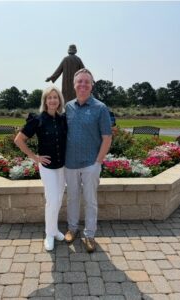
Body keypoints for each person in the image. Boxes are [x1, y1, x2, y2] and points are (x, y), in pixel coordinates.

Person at [64, 68, 112, 252]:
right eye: (80, 81)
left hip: (91, 164)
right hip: (70, 164)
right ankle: (72, 229)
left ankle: (90, 234)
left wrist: (97, 162)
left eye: (87, 81)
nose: (83, 84)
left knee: (90, 201)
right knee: (72, 199)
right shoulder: (67, 107)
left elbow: (107, 138)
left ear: (92, 85)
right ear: (74, 84)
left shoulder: (100, 108)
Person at [14, 86, 67, 251]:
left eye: (55, 97)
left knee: (58, 199)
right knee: (51, 200)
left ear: (59, 101)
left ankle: (55, 229)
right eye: (49, 97)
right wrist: (35, 158)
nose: (52, 100)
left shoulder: (63, 119)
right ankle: (49, 234)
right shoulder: (37, 120)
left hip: (63, 167)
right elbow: (19, 140)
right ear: (45, 101)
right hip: (47, 167)